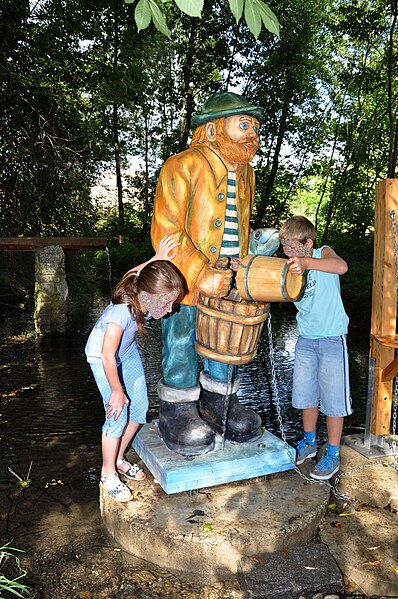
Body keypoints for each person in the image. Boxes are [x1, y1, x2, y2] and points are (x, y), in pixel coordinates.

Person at [151, 91, 269, 456]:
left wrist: (250, 261)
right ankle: (179, 408)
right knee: (182, 339)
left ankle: (219, 404)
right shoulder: (181, 165)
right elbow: (167, 230)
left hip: (231, 282)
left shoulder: (246, 173)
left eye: (256, 128)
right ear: (214, 130)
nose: (254, 136)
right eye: (245, 125)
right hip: (184, 282)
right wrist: (200, 272)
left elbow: (240, 225)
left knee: (225, 341)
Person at [85, 235, 187, 501]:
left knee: (139, 409)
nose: (168, 310)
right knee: (117, 413)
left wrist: (156, 259)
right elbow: (107, 355)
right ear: (146, 296)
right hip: (103, 358)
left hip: (126, 354)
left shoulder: (141, 290)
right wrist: (117, 391)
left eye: (171, 303)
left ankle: (118, 458)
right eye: (165, 303)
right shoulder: (121, 312)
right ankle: (108, 474)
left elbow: (133, 274)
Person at [279, 216, 352, 480]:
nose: (287, 253)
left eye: (292, 247)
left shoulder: (323, 253)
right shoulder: (289, 265)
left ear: (308, 243)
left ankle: (332, 453)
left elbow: (341, 267)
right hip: (305, 339)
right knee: (305, 396)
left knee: (334, 400)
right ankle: (309, 443)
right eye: (284, 247)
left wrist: (308, 262)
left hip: (332, 338)